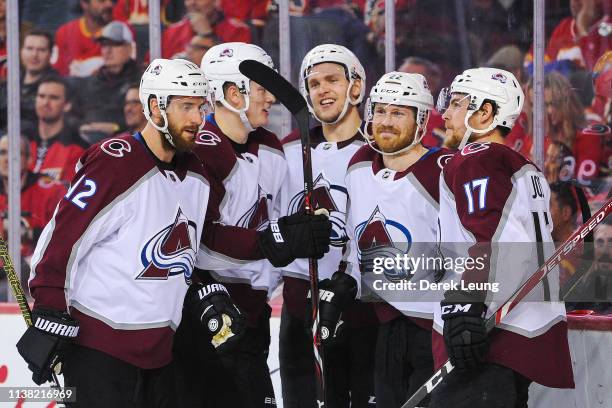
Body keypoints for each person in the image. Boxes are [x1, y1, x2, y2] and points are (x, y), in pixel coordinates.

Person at [15, 58, 228, 407]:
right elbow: (61, 238)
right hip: (100, 352)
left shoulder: (198, 176)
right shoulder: (115, 163)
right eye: (186, 106)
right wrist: (49, 307)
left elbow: (193, 254)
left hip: (162, 355)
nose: (197, 119)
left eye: (201, 107)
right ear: (156, 108)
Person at [174, 42, 331, 408]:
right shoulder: (200, 149)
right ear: (232, 92)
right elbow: (195, 239)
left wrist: (302, 231)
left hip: (254, 314)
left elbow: (275, 225)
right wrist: (270, 240)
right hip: (203, 312)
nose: (271, 99)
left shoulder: (271, 147)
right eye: (261, 89)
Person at [430, 67, 574, 408]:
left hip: (485, 336)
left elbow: (495, 242)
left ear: (485, 113)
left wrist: (469, 300)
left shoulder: (476, 159)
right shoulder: (522, 165)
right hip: (513, 335)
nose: (445, 114)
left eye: (456, 105)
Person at [344, 72, 450, 407]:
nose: (386, 121)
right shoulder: (359, 165)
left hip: (434, 327)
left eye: (398, 113)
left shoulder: (444, 169)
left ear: (421, 120)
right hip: (385, 322)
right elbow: (352, 240)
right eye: (381, 111)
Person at [279, 43, 377, 408]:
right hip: (298, 309)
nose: (322, 90)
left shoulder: (379, 151)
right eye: (314, 83)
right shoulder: (287, 150)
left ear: (355, 86)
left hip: (360, 310)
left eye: (332, 80)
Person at [0, 134, 66, 289]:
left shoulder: (50, 190)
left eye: (14, 153)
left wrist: (33, 234)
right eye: (2, 152)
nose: (7, 159)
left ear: (29, 159)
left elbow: (63, 236)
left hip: (36, 275)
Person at [75, 21, 141, 144]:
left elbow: (145, 118)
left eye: (115, 44)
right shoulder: (90, 82)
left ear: (129, 48)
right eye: (104, 45)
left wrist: (115, 127)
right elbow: (75, 114)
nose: (108, 50)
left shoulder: (143, 80)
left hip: (128, 145)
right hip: (87, 144)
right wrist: (82, 126)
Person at [29, 77, 86, 184]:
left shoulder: (77, 149)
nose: (46, 102)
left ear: (67, 105)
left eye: (54, 97)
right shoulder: (21, 140)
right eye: (41, 96)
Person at [161, 0, 251, 59]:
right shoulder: (171, 32)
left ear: (217, 1)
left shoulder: (239, 30)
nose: (192, 2)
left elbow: (235, 70)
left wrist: (207, 34)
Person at [52, 0, 115, 77]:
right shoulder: (65, 33)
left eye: (112, 0)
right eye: (102, 1)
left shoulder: (123, 31)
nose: (110, 4)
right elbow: (61, 73)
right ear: (84, 4)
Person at [397, 56, 445, 147]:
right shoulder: (383, 114)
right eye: (400, 76)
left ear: (430, 85)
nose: (401, 82)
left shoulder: (441, 122)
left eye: (410, 78)